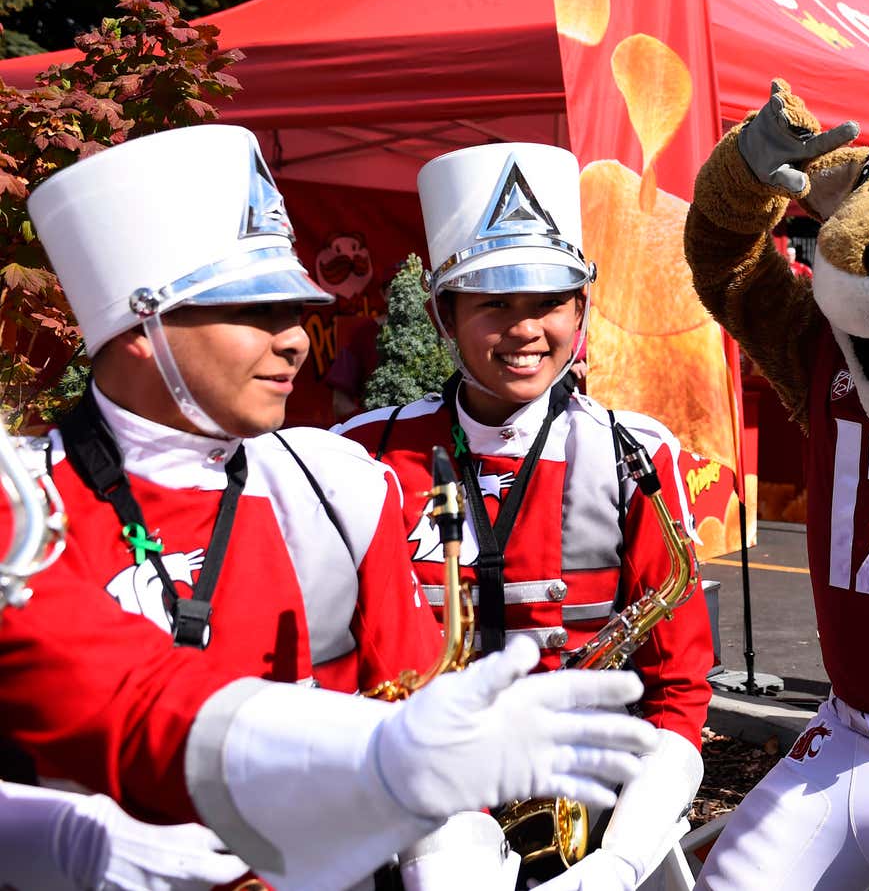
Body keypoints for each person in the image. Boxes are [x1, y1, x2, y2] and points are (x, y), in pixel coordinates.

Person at [0, 124, 659, 891]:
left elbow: (424, 732)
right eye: (256, 312)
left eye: (296, 311)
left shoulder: (337, 485)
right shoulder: (25, 507)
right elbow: (115, 693)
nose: (296, 343)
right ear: (141, 329)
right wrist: (49, 841)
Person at [335, 142, 715, 891]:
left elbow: (680, 687)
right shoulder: (360, 452)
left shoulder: (636, 454)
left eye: (548, 302)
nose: (525, 330)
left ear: (581, 308)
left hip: (594, 804)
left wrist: (623, 859)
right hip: (417, 803)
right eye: (493, 304)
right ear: (443, 315)